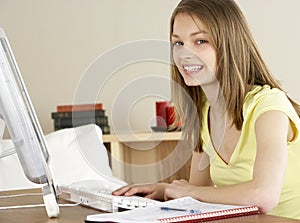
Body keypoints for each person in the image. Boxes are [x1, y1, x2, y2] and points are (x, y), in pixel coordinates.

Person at [113, 0, 300, 219]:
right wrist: (166, 190)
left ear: (229, 44)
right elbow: (199, 192)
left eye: (200, 41)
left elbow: (265, 196)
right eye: (178, 43)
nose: (184, 54)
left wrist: (190, 192)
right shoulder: (203, 112)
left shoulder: (268, 107)